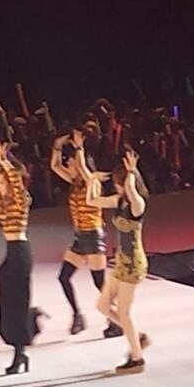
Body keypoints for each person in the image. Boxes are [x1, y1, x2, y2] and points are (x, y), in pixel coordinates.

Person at [50, 126, 120, 337]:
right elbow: (54, 165)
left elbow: (81, 166)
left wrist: (79, 148)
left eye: (70, 162)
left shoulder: (93, 182)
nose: (68, 165)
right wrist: (57, 146)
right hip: (80, 236)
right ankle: (77, 316)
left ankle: (116, 319)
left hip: (93, 235)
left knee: (100, 282)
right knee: (64, 277)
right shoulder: (74, 182)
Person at [0, 142, 41, 374]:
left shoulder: (21, 198)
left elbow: (15, 180)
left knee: (14, 303)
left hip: (21, 251)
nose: (1, 186)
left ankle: (19, 353)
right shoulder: (2, 200)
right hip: (11, 252)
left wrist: (5, 162)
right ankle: (29, 317)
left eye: (3, 182)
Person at [87, 149, 151, 374]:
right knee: (102, 306)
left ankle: (137, 358)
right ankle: (137, 336)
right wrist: (92, 180)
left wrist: (132, 172)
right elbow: (92, 201)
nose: (116, 188)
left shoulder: (137, 204)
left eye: (118, 184)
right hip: (122, 262)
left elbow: (132, 190)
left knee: (124, 312)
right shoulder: (119, 201)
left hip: (133, 263)